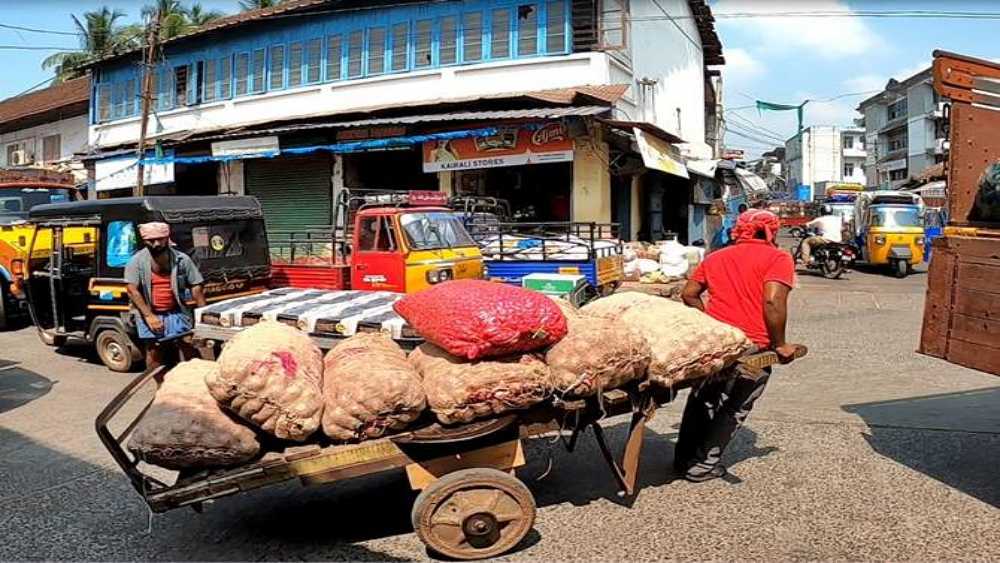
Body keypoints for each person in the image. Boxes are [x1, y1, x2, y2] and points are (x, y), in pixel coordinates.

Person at [676, 209, 802, 482]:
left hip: (718, 342)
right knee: (736, 405)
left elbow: (689, 294)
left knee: (702, 399)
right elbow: (772, 302)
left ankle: (683, 458)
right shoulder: (778, 258)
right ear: (771, 230)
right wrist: (780, 344)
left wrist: (710, 322)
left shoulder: (716, 256)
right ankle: (702, 466)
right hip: (753, 344)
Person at [124, 222, 206, 372]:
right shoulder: (136, 262)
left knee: (188, 345)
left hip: (176, 310)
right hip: (149, 312)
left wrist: (203, 315)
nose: (156, 244)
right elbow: (131, 290)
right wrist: (149, 316)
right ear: (144, 241)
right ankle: (160, 387)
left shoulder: (182, 260)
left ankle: (197, 380)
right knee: (154, 351)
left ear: (167, 238)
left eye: (160, 239)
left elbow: (196, 285)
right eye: (151, 240)